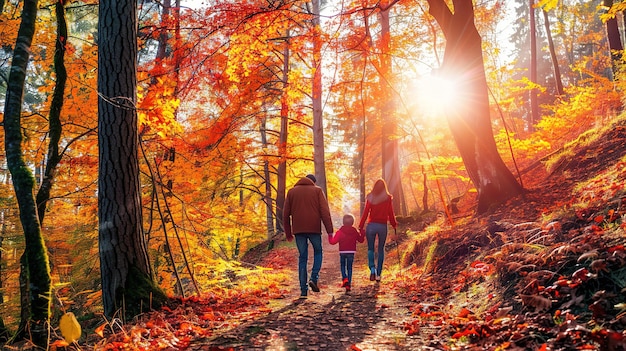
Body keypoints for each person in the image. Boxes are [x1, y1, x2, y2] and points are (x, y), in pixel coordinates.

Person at [283, 174, 334, 299]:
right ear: (314, 182)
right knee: (318, 252)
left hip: (298, 230)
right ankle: (314, 277)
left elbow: (285, 214)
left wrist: (288, 232)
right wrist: (330, 231)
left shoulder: (291, 192)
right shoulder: (317, 191)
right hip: (314, 229)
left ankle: (303, 290)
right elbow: (324, 211)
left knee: (302, 258)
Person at [359, 178, 397, 282]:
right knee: (381, 250)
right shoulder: (388, 198)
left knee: (370, 249)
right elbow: (390, 212)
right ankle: (379, 274)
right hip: (382, 226)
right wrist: (394, 224)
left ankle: (372, 269)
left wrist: (360, 226)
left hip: (371, 226)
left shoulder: (371, 197)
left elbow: (366, 212)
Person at [328, 214, 364, 292]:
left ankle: (345, 279)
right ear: (352, 222)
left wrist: (330, 235)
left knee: (343, 266)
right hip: (351, 251)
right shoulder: (354, 231)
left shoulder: (340, 232)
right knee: (349, 267)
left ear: (343, 222)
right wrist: (362, 232)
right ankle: (349, 284)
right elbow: (361, 240)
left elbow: (333, 242)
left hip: (342, 251)